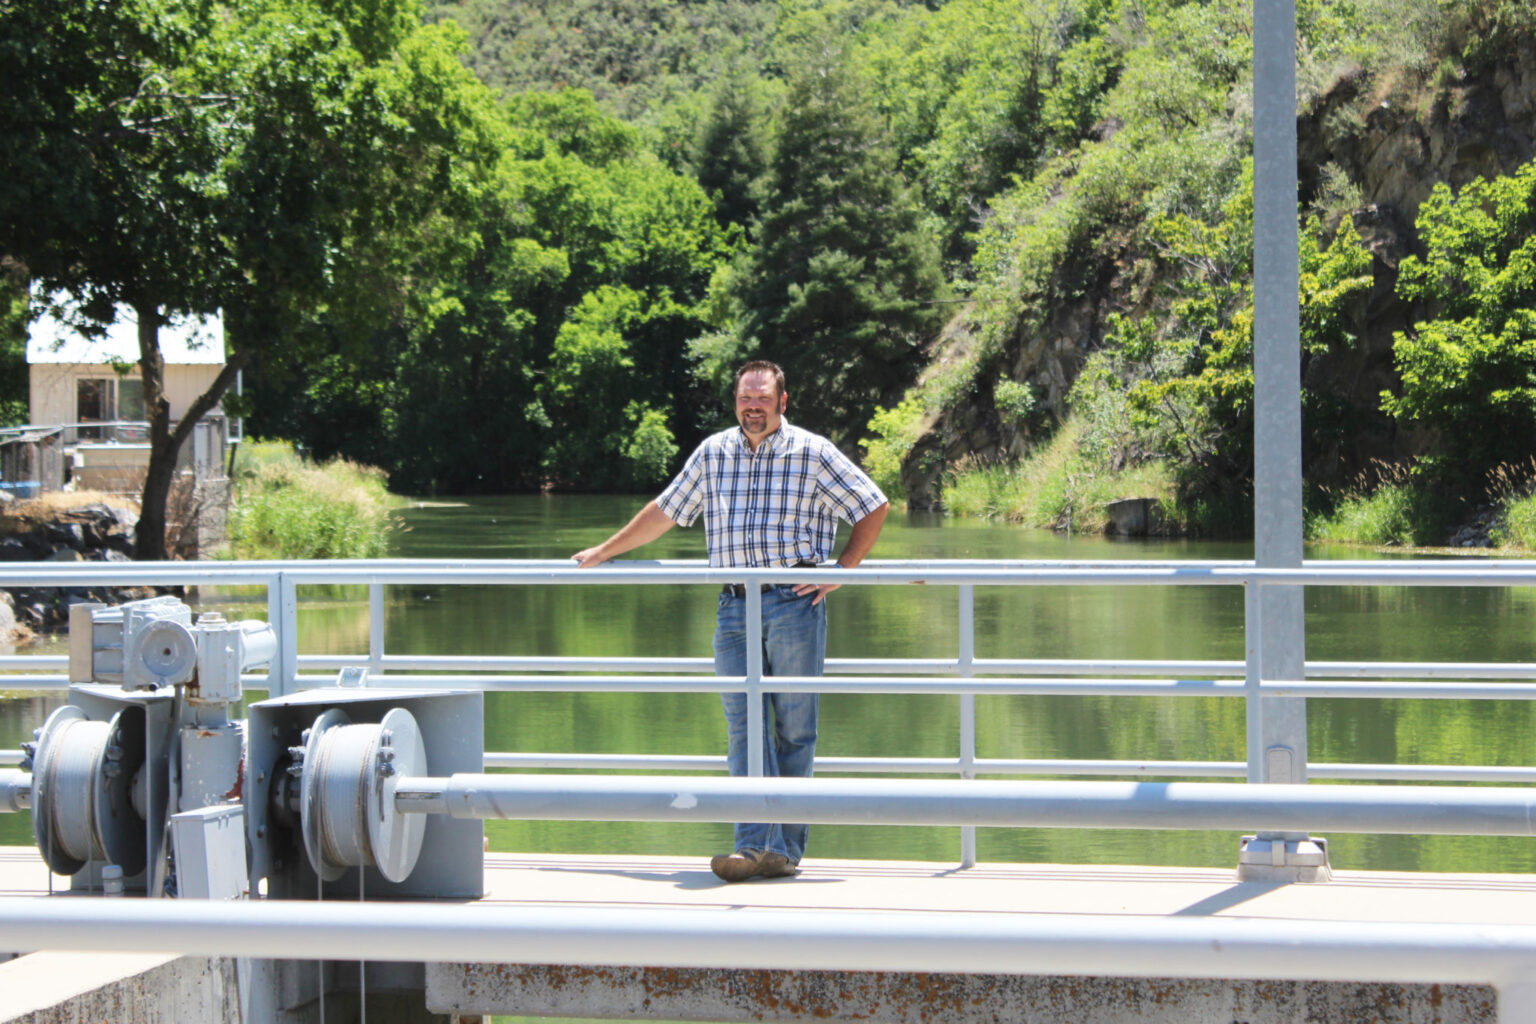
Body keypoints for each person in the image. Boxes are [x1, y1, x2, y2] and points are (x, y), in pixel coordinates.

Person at [573, 360, 889, 882]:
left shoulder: (812, 452)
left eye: (763, 399)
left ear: (782, 403)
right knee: (745, 726)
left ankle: (782, 851)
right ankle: (749, 846)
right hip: (734, 605)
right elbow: (666, 510)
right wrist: (605, 552)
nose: (753, 407)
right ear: (735, 401)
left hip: (794, 598)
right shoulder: (714, 452)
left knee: (793, 728)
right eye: (746, 398)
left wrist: (844, 570)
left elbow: (872, 506)